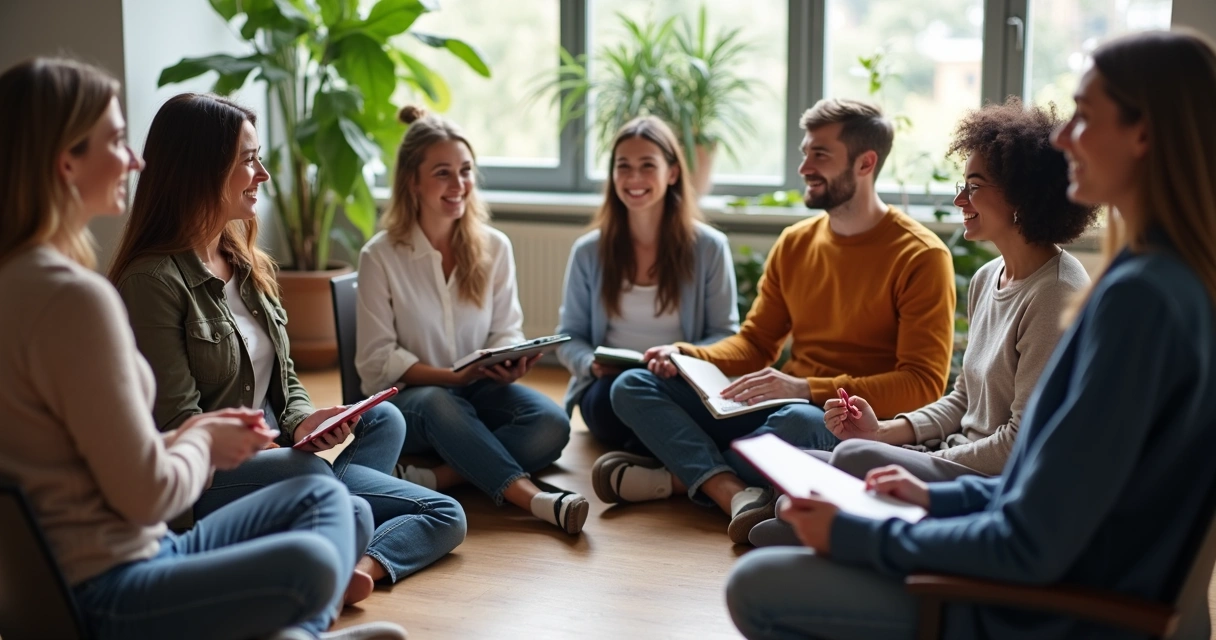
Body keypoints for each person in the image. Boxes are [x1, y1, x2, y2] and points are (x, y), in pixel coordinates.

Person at [726, 29, 1216, 640]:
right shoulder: (1163, 281)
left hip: (1048, 608)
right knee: (805, 515)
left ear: (1143, 135)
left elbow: (1029, 538)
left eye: (1085, 117)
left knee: (756, 584)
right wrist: (934, 500)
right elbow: (1042, 491)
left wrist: (866, 532)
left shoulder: (1136, 300)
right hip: (1051, 572)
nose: (1064, 138)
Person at [0, 57, 404, 640]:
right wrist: (204, 440)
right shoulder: (77, 300)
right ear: (67, 162)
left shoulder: (24, 282)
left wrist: (272, 427)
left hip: (121, 558)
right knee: (317, 555)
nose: (137, 161)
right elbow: (147, 493)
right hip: (110, 587)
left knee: (331, 500)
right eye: (117, 141)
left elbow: (101, 457)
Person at [109, 93, 465, 593]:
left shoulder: (245, 263)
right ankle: (338, 525)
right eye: (248, 160)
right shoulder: (153, 282)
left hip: (273, 450)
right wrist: (285, 447)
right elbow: (181, 427)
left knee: (386, 419)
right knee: (429, 510)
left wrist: (303, 422)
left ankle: (350, 561)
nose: (264, 174)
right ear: (201, 169)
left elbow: (286, 380)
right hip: (209, 479)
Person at [599, 98, 956, 544]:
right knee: (632, 386)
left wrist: (807, 388)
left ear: (866, 163)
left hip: (833, 419)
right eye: (805, 152)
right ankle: (732, 490)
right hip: (777, 406)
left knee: (799, 424)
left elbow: (922, 384)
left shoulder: (920, 256)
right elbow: (755, 344)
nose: (804, 166)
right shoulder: (795, 243)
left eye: (820, 155)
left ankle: (680, 475)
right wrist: (686, 355)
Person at [750, 98, 1098, 545]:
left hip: (987, 480)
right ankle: (839, 530)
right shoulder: (987, 276)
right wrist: (885, 433)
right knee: (804, 478)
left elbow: (1019, 443)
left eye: (974, 186)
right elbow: (961, 399)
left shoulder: (1055, 292)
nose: (959, 200)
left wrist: (913, 458)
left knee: (844, 464)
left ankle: (846, 532)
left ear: (1022, 195)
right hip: (947, 457)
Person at [355, 106, 587, 534]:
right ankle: (534, 500)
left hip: (478, 390)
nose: (459, 184)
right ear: (412, 181)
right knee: (436, 399)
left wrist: (510, 359)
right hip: (412, 405)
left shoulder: (494, 247)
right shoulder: (380, 256)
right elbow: (375, 360)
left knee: (551, 425)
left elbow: (506, 329)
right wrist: (447, 376)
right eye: (443, 172)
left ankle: (441, 478)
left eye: (465, 170)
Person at [556, 116, 738, 455]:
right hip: (609, 386)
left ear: (672, 173)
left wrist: (680, 354)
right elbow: (570, 336)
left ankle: (656, 458)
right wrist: (590, 365)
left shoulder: (709, 247)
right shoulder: (588, 252)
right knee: (608, 403)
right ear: (612, 175)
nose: (634, 178)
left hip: (681, 383)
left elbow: (725, 334)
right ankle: (678, 453)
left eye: (647, 165)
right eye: (623, 166)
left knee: (670, 408)